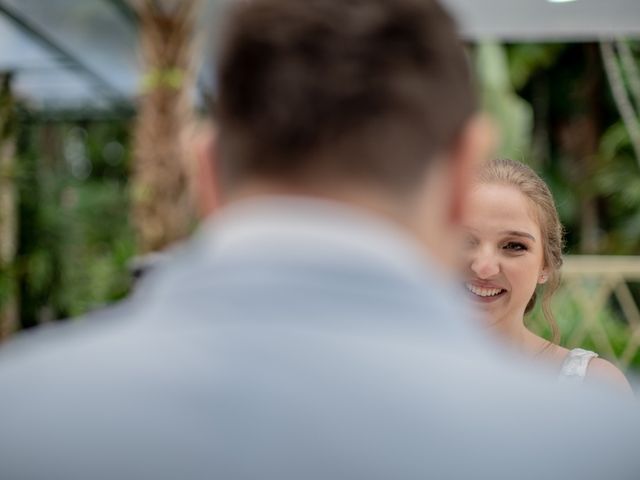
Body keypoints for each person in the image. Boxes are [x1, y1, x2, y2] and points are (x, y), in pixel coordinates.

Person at [0, 1, 639, 479]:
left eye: (514, 245)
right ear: (458, 175)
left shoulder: (22, 412)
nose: (483, 264)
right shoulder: (593, 445)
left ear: (205, 172)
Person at [462, 158, 633, 392]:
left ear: (546, 266)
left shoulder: (595, 387)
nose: (484, 267)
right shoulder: (396, 375)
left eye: (514, 246)